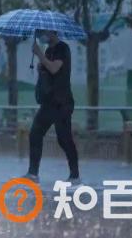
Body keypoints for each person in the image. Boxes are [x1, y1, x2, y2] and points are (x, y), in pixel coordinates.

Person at [23, 29, 80, 185]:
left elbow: (55, 68)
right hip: (48, 102)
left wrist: (40, 54)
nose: (42, 34)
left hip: (62, 102)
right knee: (35, 133)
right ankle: (33, 173)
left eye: (44, 32)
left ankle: (75, 175)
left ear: (52, 32)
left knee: (64, 138)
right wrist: (40, 65)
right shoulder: (48, 50)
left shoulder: (63, 48)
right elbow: (47, 70)